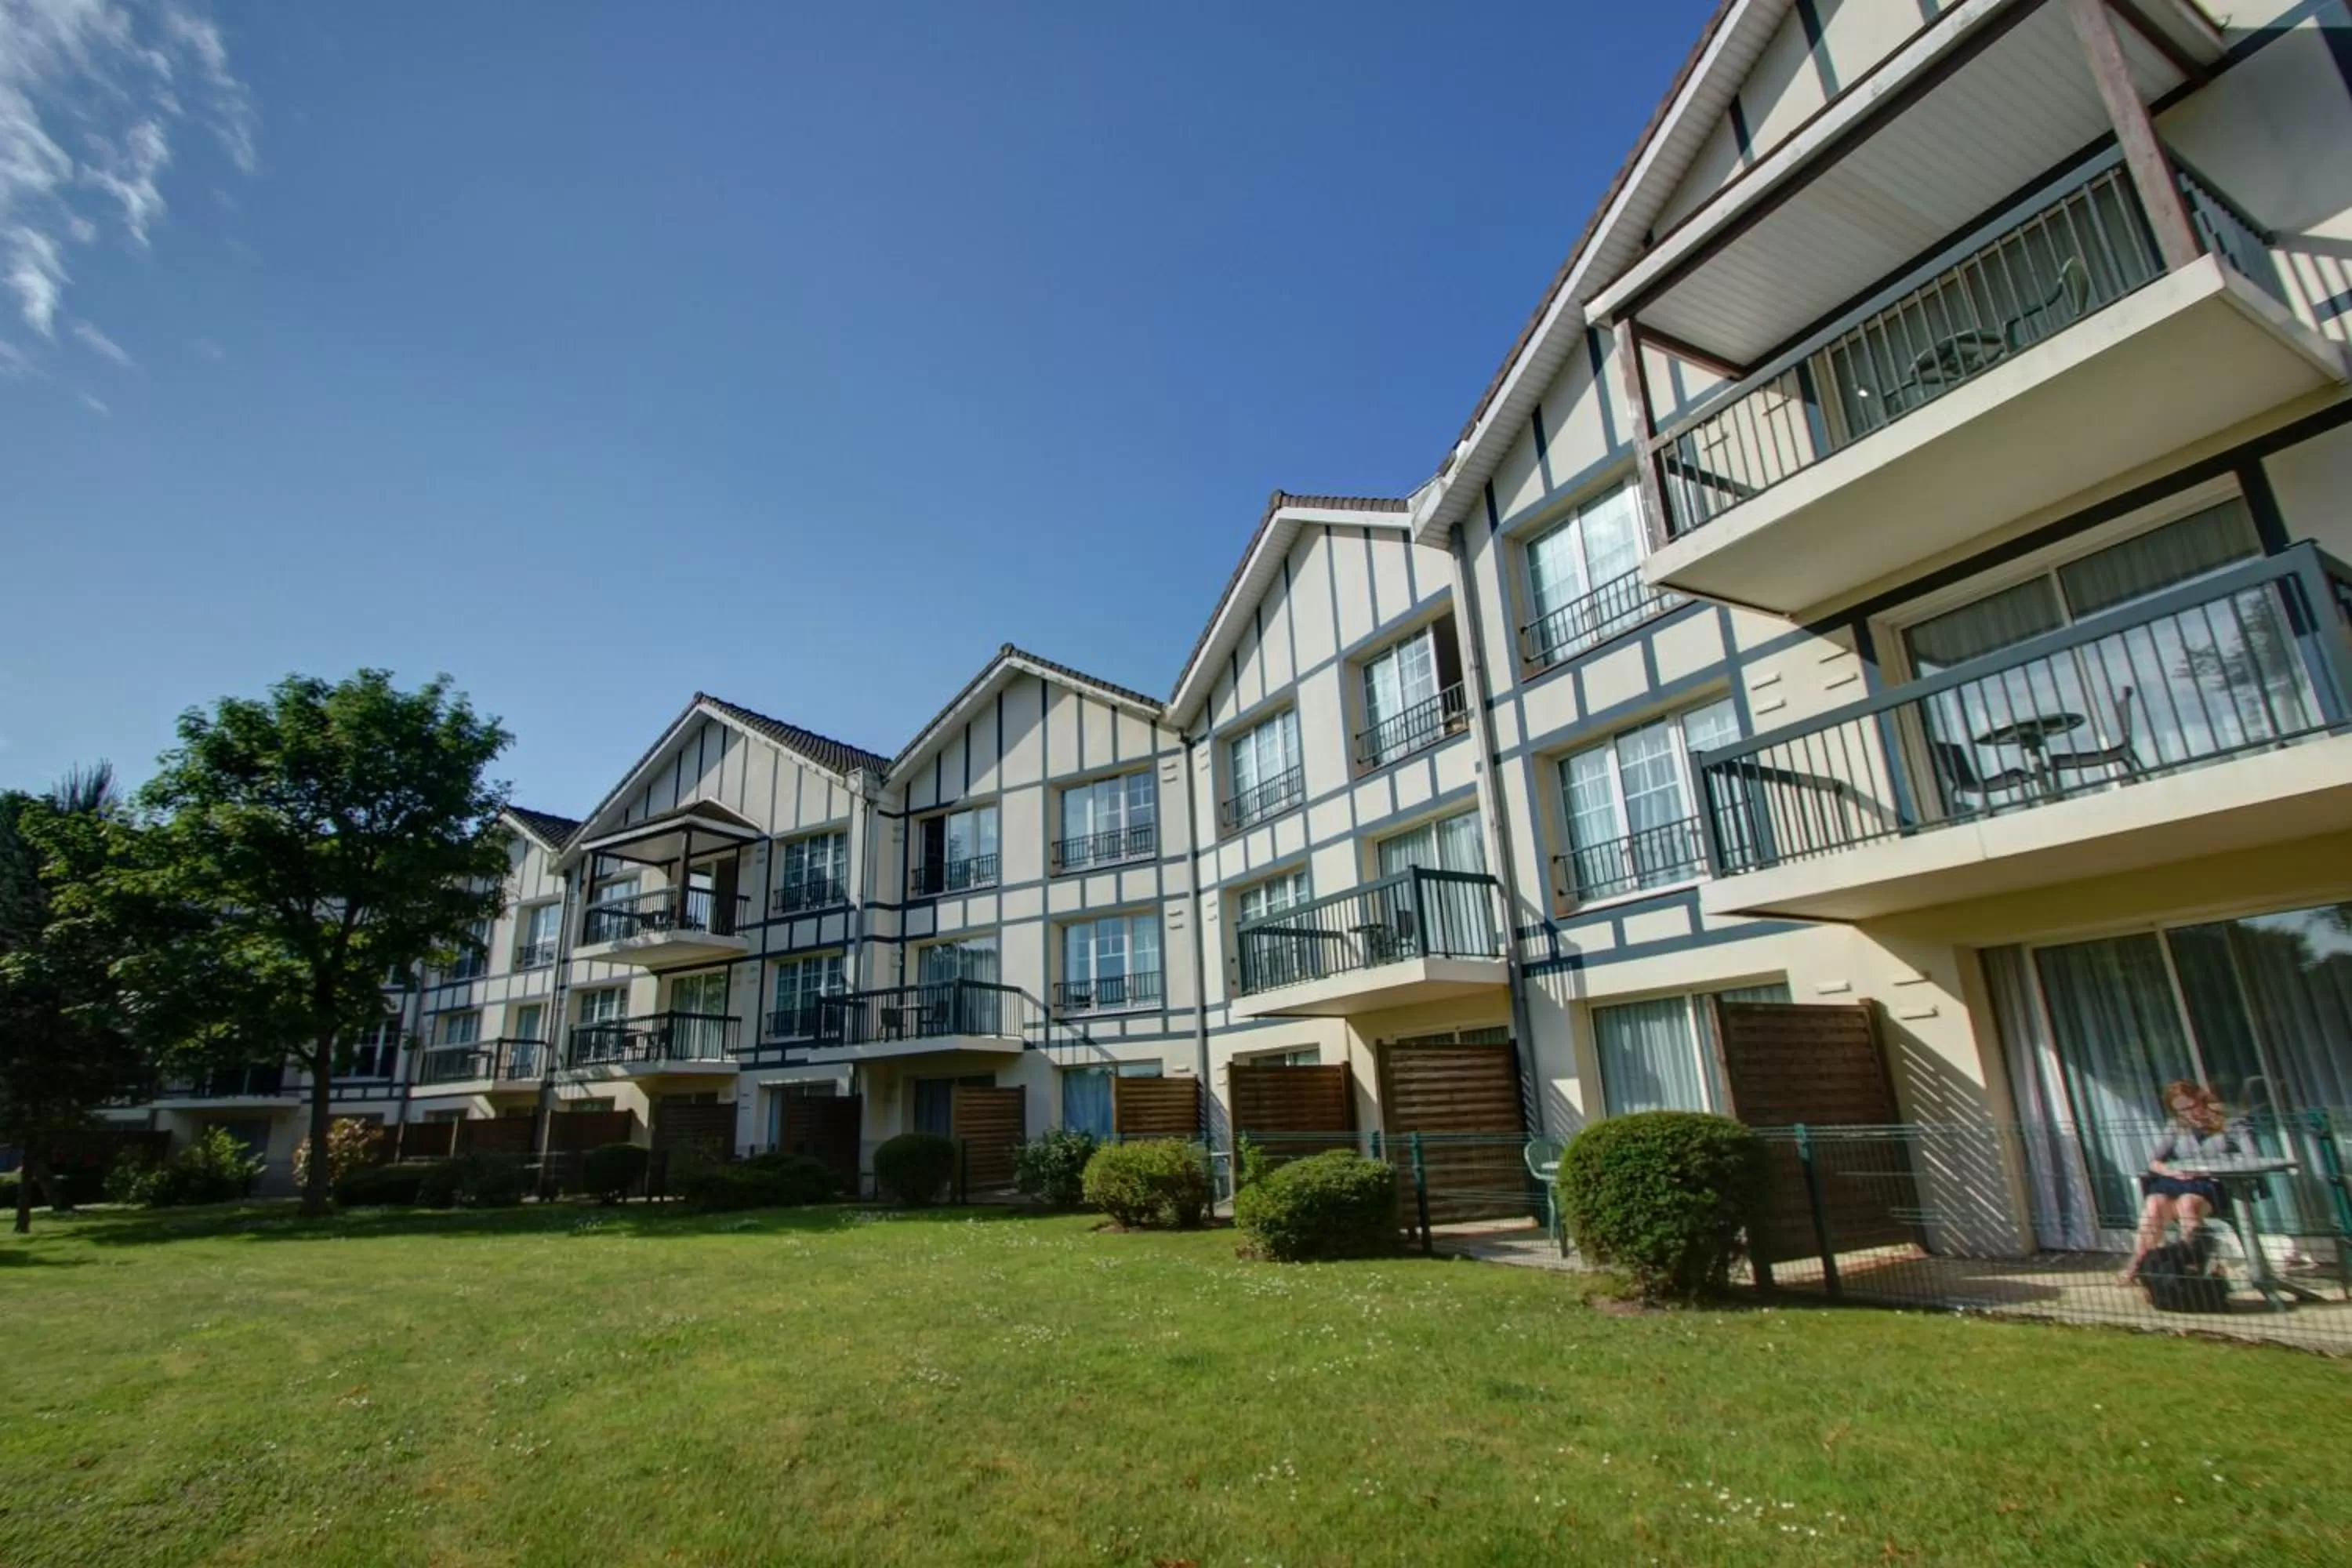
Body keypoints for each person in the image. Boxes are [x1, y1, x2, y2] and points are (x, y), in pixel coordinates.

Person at [2118, 1080, 2253, 1285]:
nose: (2188, 1114)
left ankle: (2193, 1264)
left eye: (2191, 1107)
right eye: (2181, 1111)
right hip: (2179, 1181)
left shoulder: (2230, 1123)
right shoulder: (2176, 1127)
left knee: (2187, 1203)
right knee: (2154, 1204)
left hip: (2213, 1183)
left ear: (2201, 1099)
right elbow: (2153, 1161)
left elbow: (2251, 1157)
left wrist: (2212, 1168)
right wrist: (2171, 1171)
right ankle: (2141, 1264)